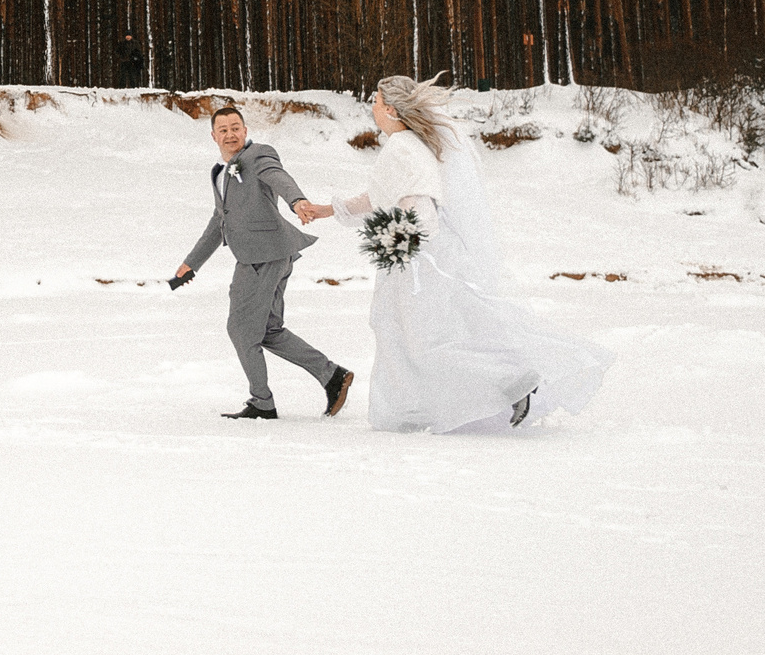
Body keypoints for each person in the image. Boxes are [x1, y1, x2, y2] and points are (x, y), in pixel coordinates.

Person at [294, 74, 612, 432]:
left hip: (419, 260)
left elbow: (420, 209)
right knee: (408, 332)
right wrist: (328, 209)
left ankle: (508, 382)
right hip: (420, 256)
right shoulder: (406, 144)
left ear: (392, 110)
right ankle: (417, 409)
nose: (371, 106)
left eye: (376, 100)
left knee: (423, 339)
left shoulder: (402, 147)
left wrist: (400, 242)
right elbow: (383, 196)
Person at [170, 105, 355, 421]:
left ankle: (262, 403)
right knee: (267, 329)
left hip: (262, 256)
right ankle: (332, 375)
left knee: (241, 328)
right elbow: (220, 222)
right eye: (224, 129)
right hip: (271, 254)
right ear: (213, 135)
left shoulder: (258, 155)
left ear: (245, 130)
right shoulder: (221, 172)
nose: (231, 134)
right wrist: (192, 263)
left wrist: (297, 201)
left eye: (236, 127)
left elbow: (279, 177)